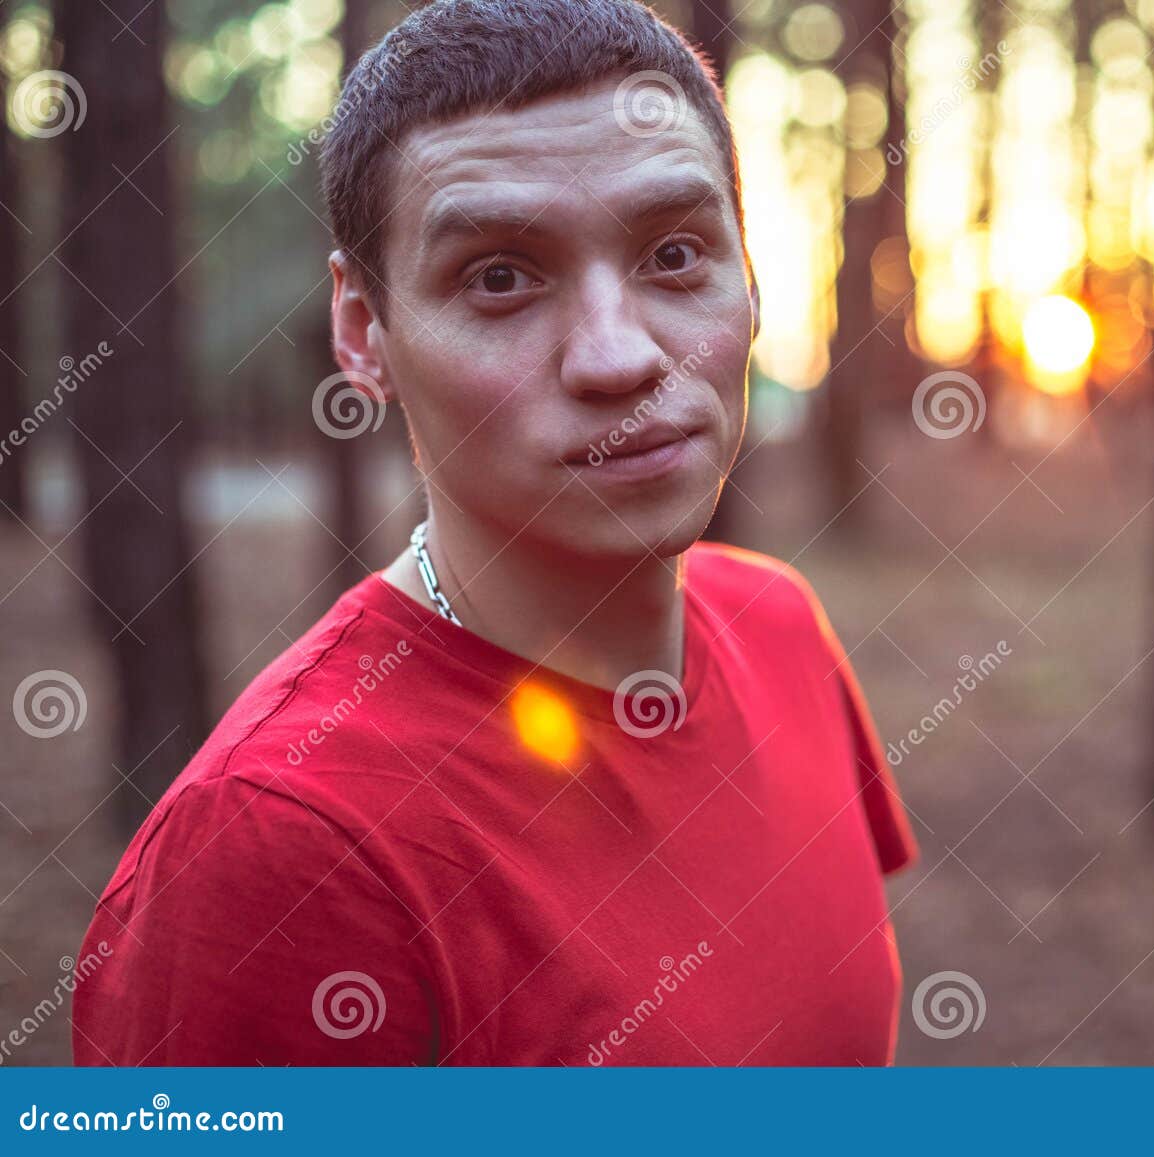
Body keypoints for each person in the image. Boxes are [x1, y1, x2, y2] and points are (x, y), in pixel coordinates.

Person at [72, 0, 916, 1066]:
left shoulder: (778, 621)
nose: (618, 358)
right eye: (501, 276)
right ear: (361, 332)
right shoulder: (281, 852)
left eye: (674, 253)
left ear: (748, 277)